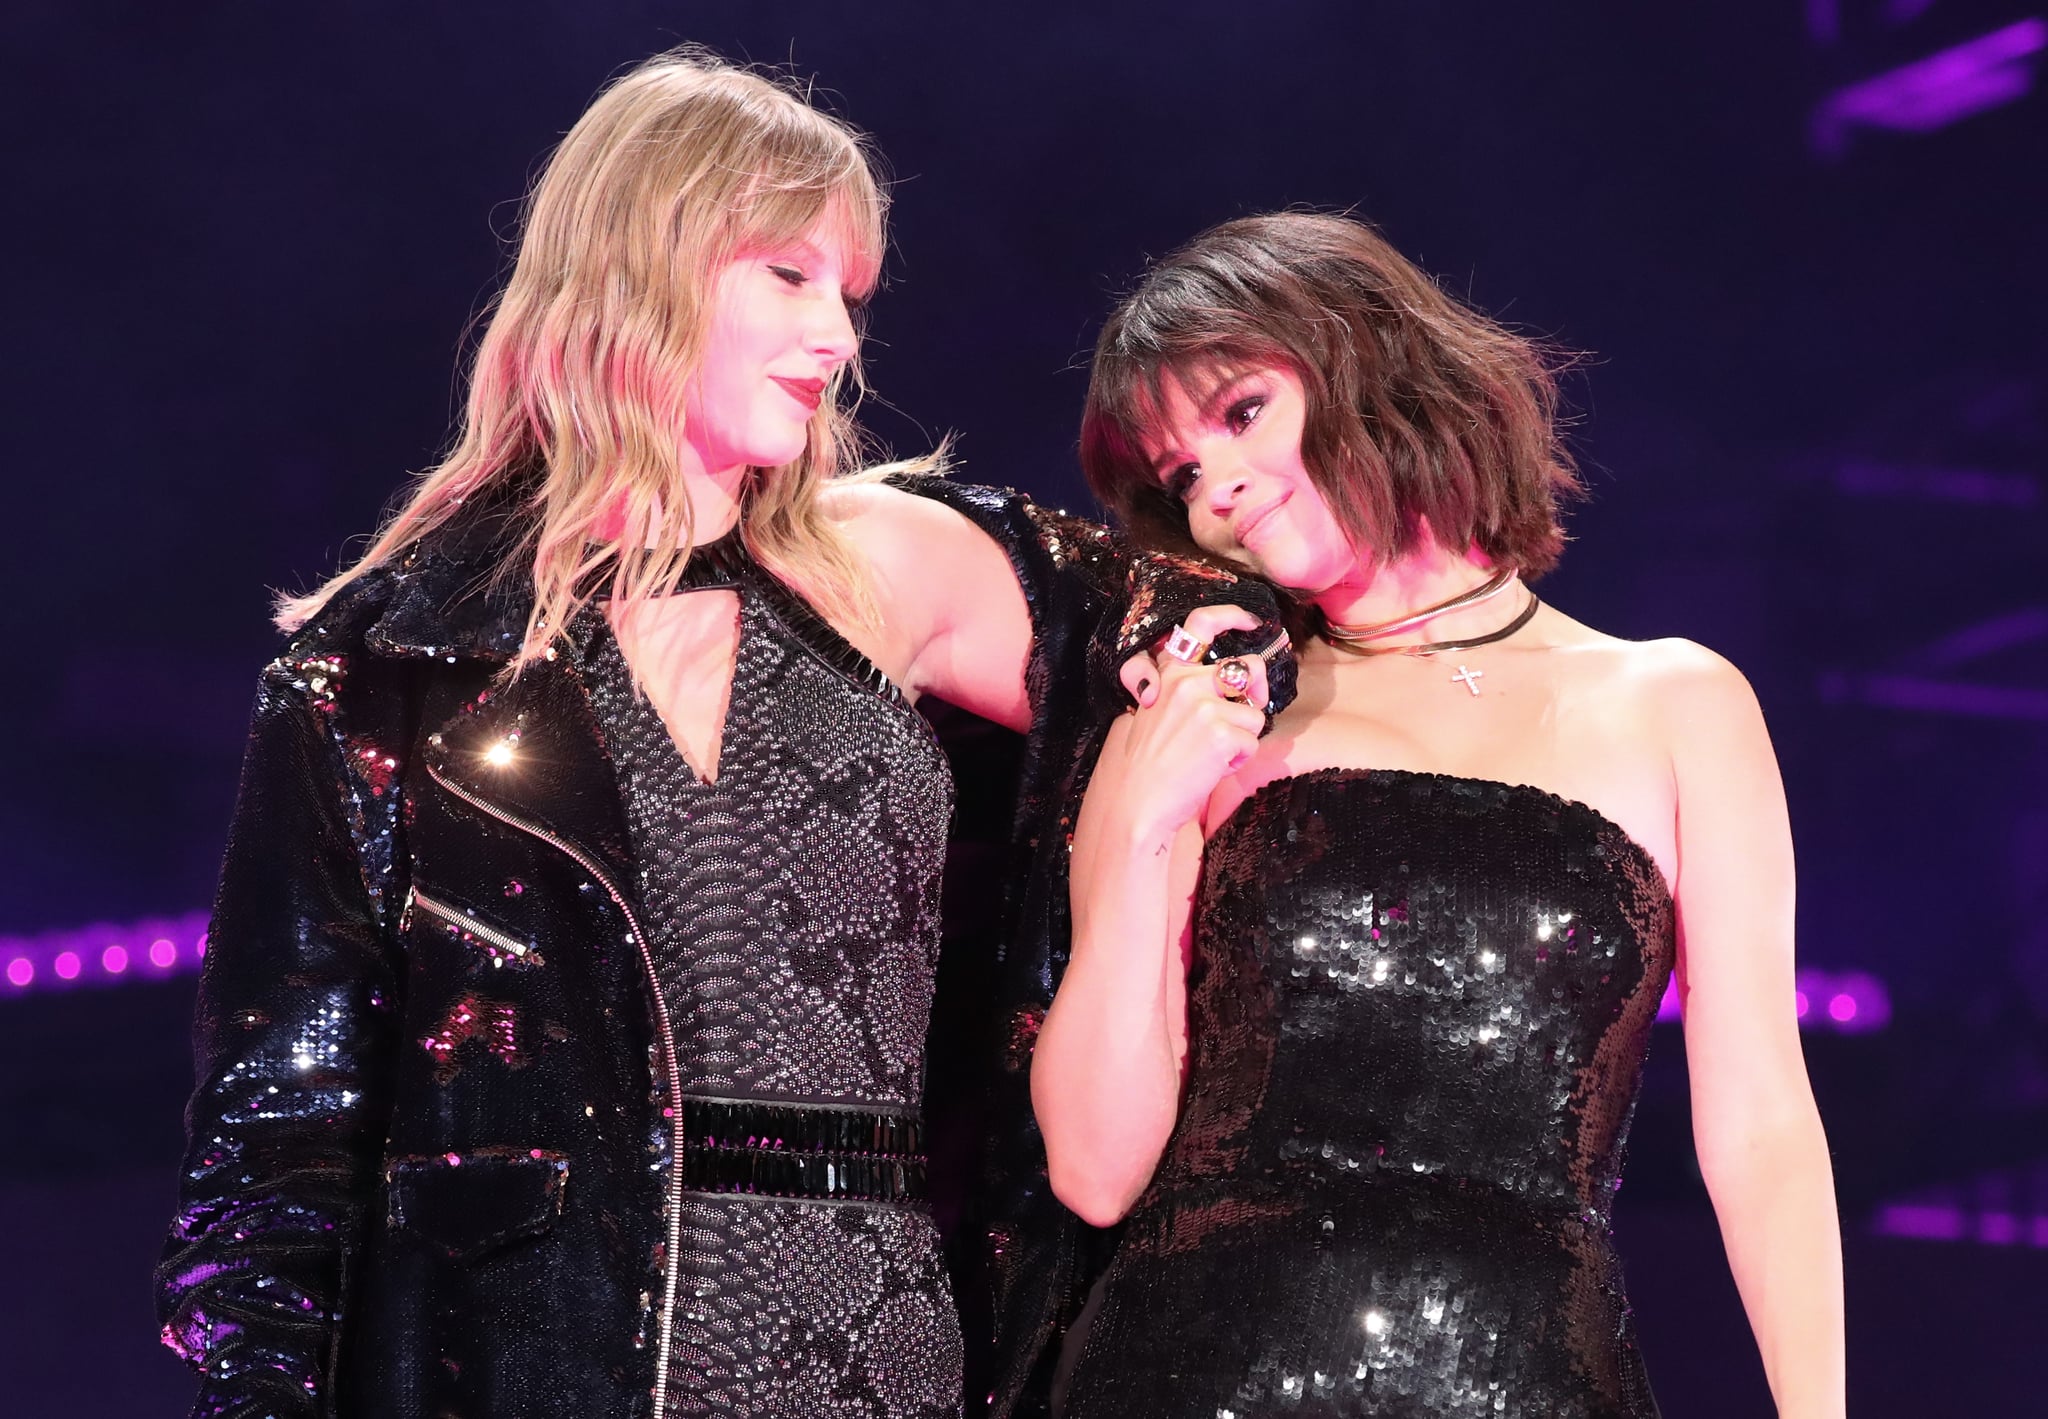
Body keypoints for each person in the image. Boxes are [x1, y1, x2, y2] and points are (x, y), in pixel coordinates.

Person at [153, 51, 1288, 1419]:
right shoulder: (389, 660)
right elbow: (278, 1144)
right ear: (644, 264)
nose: (840, 339)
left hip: (875, 1349)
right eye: (789, 276)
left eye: (848, 296)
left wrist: (1133, 841)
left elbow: (1209, 621)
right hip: (522, 1362)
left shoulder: (885, 568)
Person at [1030, 212, 1845, 1418]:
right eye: (1181, 476)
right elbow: (1095, 1175)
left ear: (1361, 357)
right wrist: (1146, 807)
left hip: (1531, 1377)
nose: (1219, 492)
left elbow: (1761, 1127)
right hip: (1190, 1368)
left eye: (1241, 413)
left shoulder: (1677, 701)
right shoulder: (1205, 719)